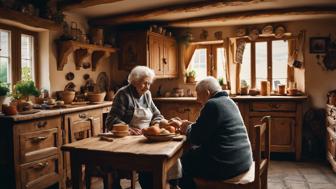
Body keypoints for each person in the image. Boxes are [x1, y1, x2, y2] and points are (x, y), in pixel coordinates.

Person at [105, 65, 181, 189]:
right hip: (127, 140)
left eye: (149, 84)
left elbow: (157, 114)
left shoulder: (147, 95)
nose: (147, 87)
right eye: (144, 83)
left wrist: (156, 126)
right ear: (135, 81)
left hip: (145, 137)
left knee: (171, 155)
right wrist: (127, 128)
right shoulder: (123, 94)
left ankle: (172, 185)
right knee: (150, 162)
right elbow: (110, 120)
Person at [178, 76, 253, 189]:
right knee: (190, 157)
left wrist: (186, 128)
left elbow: (196, 138)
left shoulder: (212, 105)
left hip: (227, 166)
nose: (197, 99)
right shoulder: (229, 101)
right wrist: (191, 126)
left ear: (207, 93)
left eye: (198, 94)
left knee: (178, 164)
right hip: (242, 161)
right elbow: (208, 128)